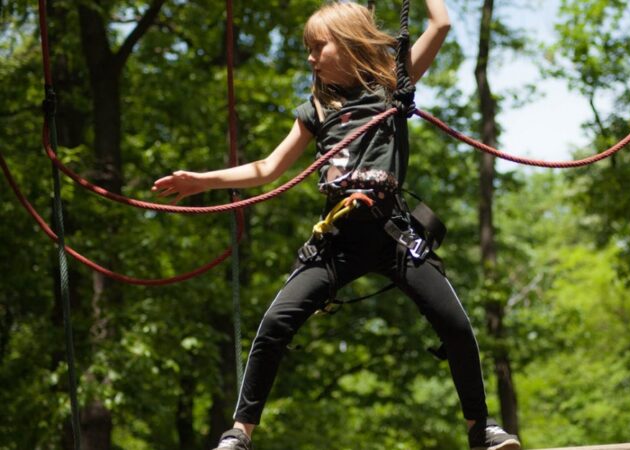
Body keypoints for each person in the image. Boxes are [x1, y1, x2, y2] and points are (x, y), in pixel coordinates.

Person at [152, 2, 521, 449]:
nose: (309, 57)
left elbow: (440, 24)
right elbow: (269, 167)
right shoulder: (317, 108)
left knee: (456, 326)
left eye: (317, 47)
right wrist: (201, 182)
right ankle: (240, 433)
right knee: (274, 324)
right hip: (338, 239)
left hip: (392, 235)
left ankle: (479, 428)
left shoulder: (391, 85)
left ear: (347, 44)